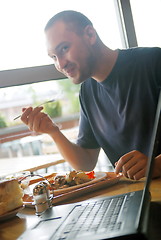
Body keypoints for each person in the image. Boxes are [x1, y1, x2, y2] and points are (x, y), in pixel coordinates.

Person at [21, 10, 161, 180]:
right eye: (53, 57)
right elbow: (86, 162)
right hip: (136, 197)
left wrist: (156, 166)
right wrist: (53, 132)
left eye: (64, 48)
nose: (61, 63)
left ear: (90, 34)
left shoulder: (154, 62)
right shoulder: (88, 92)